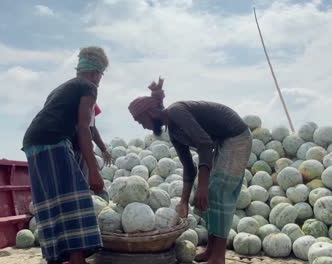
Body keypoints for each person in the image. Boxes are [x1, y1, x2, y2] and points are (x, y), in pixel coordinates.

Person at [127, 77, 252, 264]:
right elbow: (188, 168)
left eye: (141, 121)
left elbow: (204, 143)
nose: (143, 126)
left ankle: (219, 257)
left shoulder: (176, 112)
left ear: (151, 112)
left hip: (236, 136)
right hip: (222, 141)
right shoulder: (174, 133)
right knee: (211, 193)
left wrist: (202, 187)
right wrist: (184, 201)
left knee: (218, 192)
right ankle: (211, 250)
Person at [22, 47, 109, 264]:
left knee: (51, 202)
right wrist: (94, 172)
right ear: (96, 73)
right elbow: (83, 127)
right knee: (75, 200)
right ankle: (77, 258)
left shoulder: (62, 88)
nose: (99, 80)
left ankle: (58, 257)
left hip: (33, 143)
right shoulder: (88, 87)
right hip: (53, 142)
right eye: (101, 75)